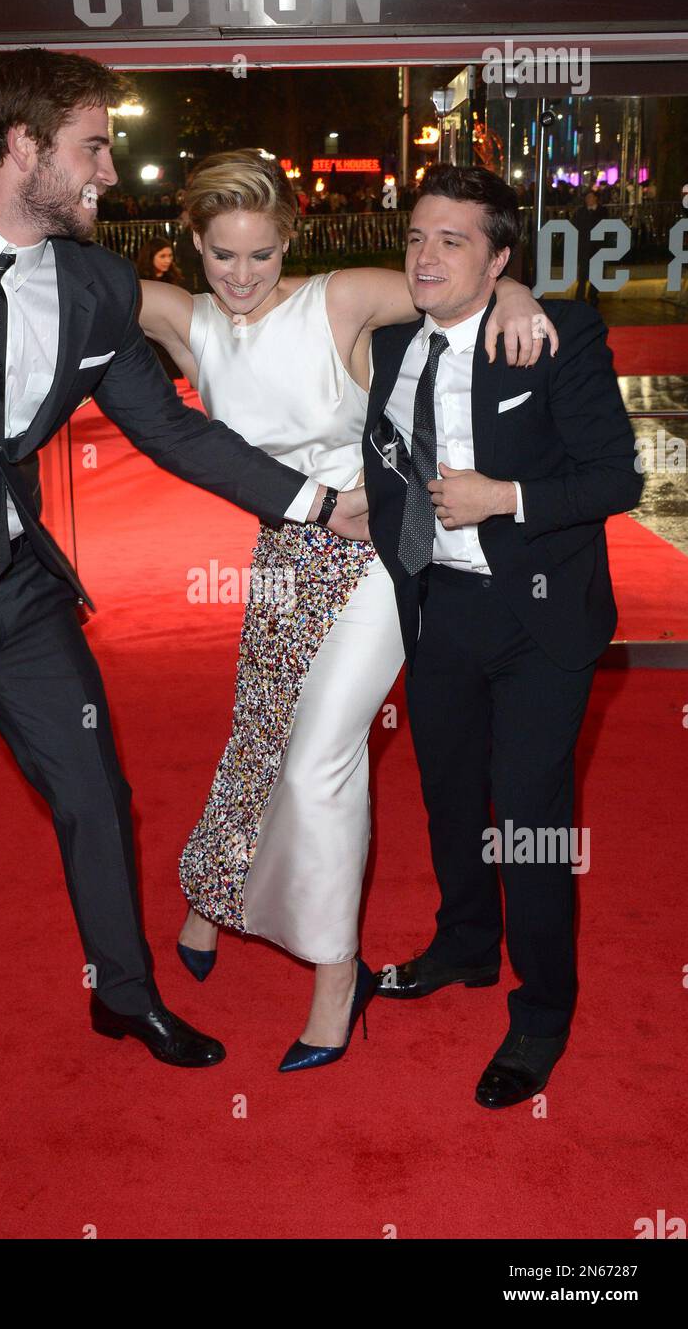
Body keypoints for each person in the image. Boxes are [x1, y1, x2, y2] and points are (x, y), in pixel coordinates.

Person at [0, 50, 374, 1173]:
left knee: (99, 800)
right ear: (24, 148)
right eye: (94, 145)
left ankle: (125, 994)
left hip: (19, 596)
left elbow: (173, 429)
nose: (112, 166)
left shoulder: (98, 286)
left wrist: (315, 504)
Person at [0, 148, 553, 1074]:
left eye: (258, 255)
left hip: (378, 550)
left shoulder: (340, 297)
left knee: (321, 755)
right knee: (257, 741)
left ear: (286, 242)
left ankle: (336, 979)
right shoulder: (182, 318)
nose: (242, 276)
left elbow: (455, 276)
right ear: (193, 250)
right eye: (221, 257)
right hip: (284, 553)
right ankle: (210, 905)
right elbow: (24, 255)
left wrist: (521, 293)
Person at [364, 163, 643, 1107]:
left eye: (452, 240)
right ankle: (464, 947)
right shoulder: (395, 341)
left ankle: (542, 1009)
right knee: (448, 798)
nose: (425, 255)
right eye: (415, 236)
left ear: (498, 260)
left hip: (537, 616)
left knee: (527, 822)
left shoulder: (550, 336)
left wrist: (504, 499)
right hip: (436, 609)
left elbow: (616, 481)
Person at [135, 236, 184, 379]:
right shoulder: (139, 279)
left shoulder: (174, 279)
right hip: (146, 334)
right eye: (162, 256)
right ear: (150, 257)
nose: (167, 260)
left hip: (169, 334)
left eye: (169, 255)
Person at [572, 189, 605, 307]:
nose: (588, 200)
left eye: (590, 197)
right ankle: (580, 298)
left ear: (595, 198)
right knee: (583, 274)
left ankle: (593, 296)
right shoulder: (581, 212)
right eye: (587, 197)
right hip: (584, 248)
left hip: (597, 248)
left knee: (596, 274)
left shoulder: (602, 211)